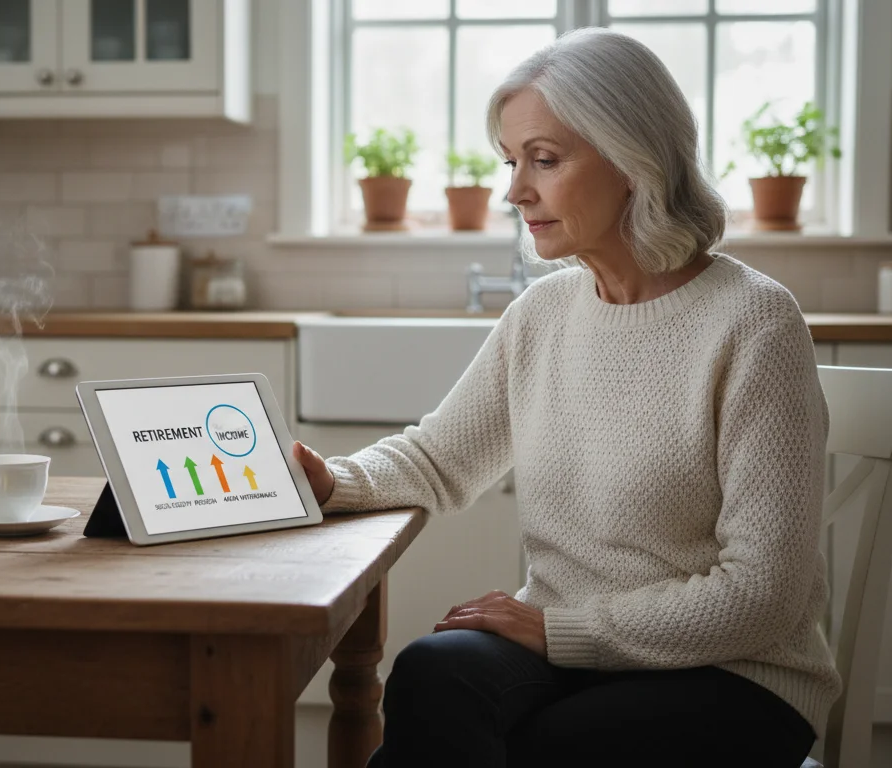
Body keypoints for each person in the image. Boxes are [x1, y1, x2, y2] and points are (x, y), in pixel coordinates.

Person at [290, 27, 840, 768]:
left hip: (737, 675)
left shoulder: (753, 321)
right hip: (567, 653)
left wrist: (559, 632)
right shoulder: (542, 314)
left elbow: (762, 596)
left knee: (516, 747)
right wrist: (335, 480)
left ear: (634, 158)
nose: (515, 189)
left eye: (544, 160)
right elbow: (438, 460)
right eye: (512, 161)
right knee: (432, 672)